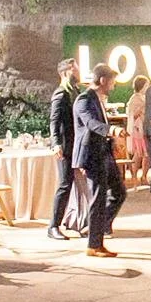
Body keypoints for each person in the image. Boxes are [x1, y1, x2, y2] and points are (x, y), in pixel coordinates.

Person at [73, 64, 123, 257]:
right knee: (98, 199)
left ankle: (96, 227)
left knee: (119, 192)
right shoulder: (84, 100)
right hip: (92, 156)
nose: (114, 84)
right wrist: (111, 131)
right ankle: (94, 245)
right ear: (102, 80)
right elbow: (91, 123)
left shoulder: (99, 99)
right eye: (112, 80)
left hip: (104, 153)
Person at [47, 61, 81, 239]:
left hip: (76, 145)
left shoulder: (74, 91)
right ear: (67, 72)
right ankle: (53, 225)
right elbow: (54, 121)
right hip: (67, 146)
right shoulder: (61, 94)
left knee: (75, 185)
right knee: (65, 184)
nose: (79, 72)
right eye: (76, 69)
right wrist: (56, 144)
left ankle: (73, 221)